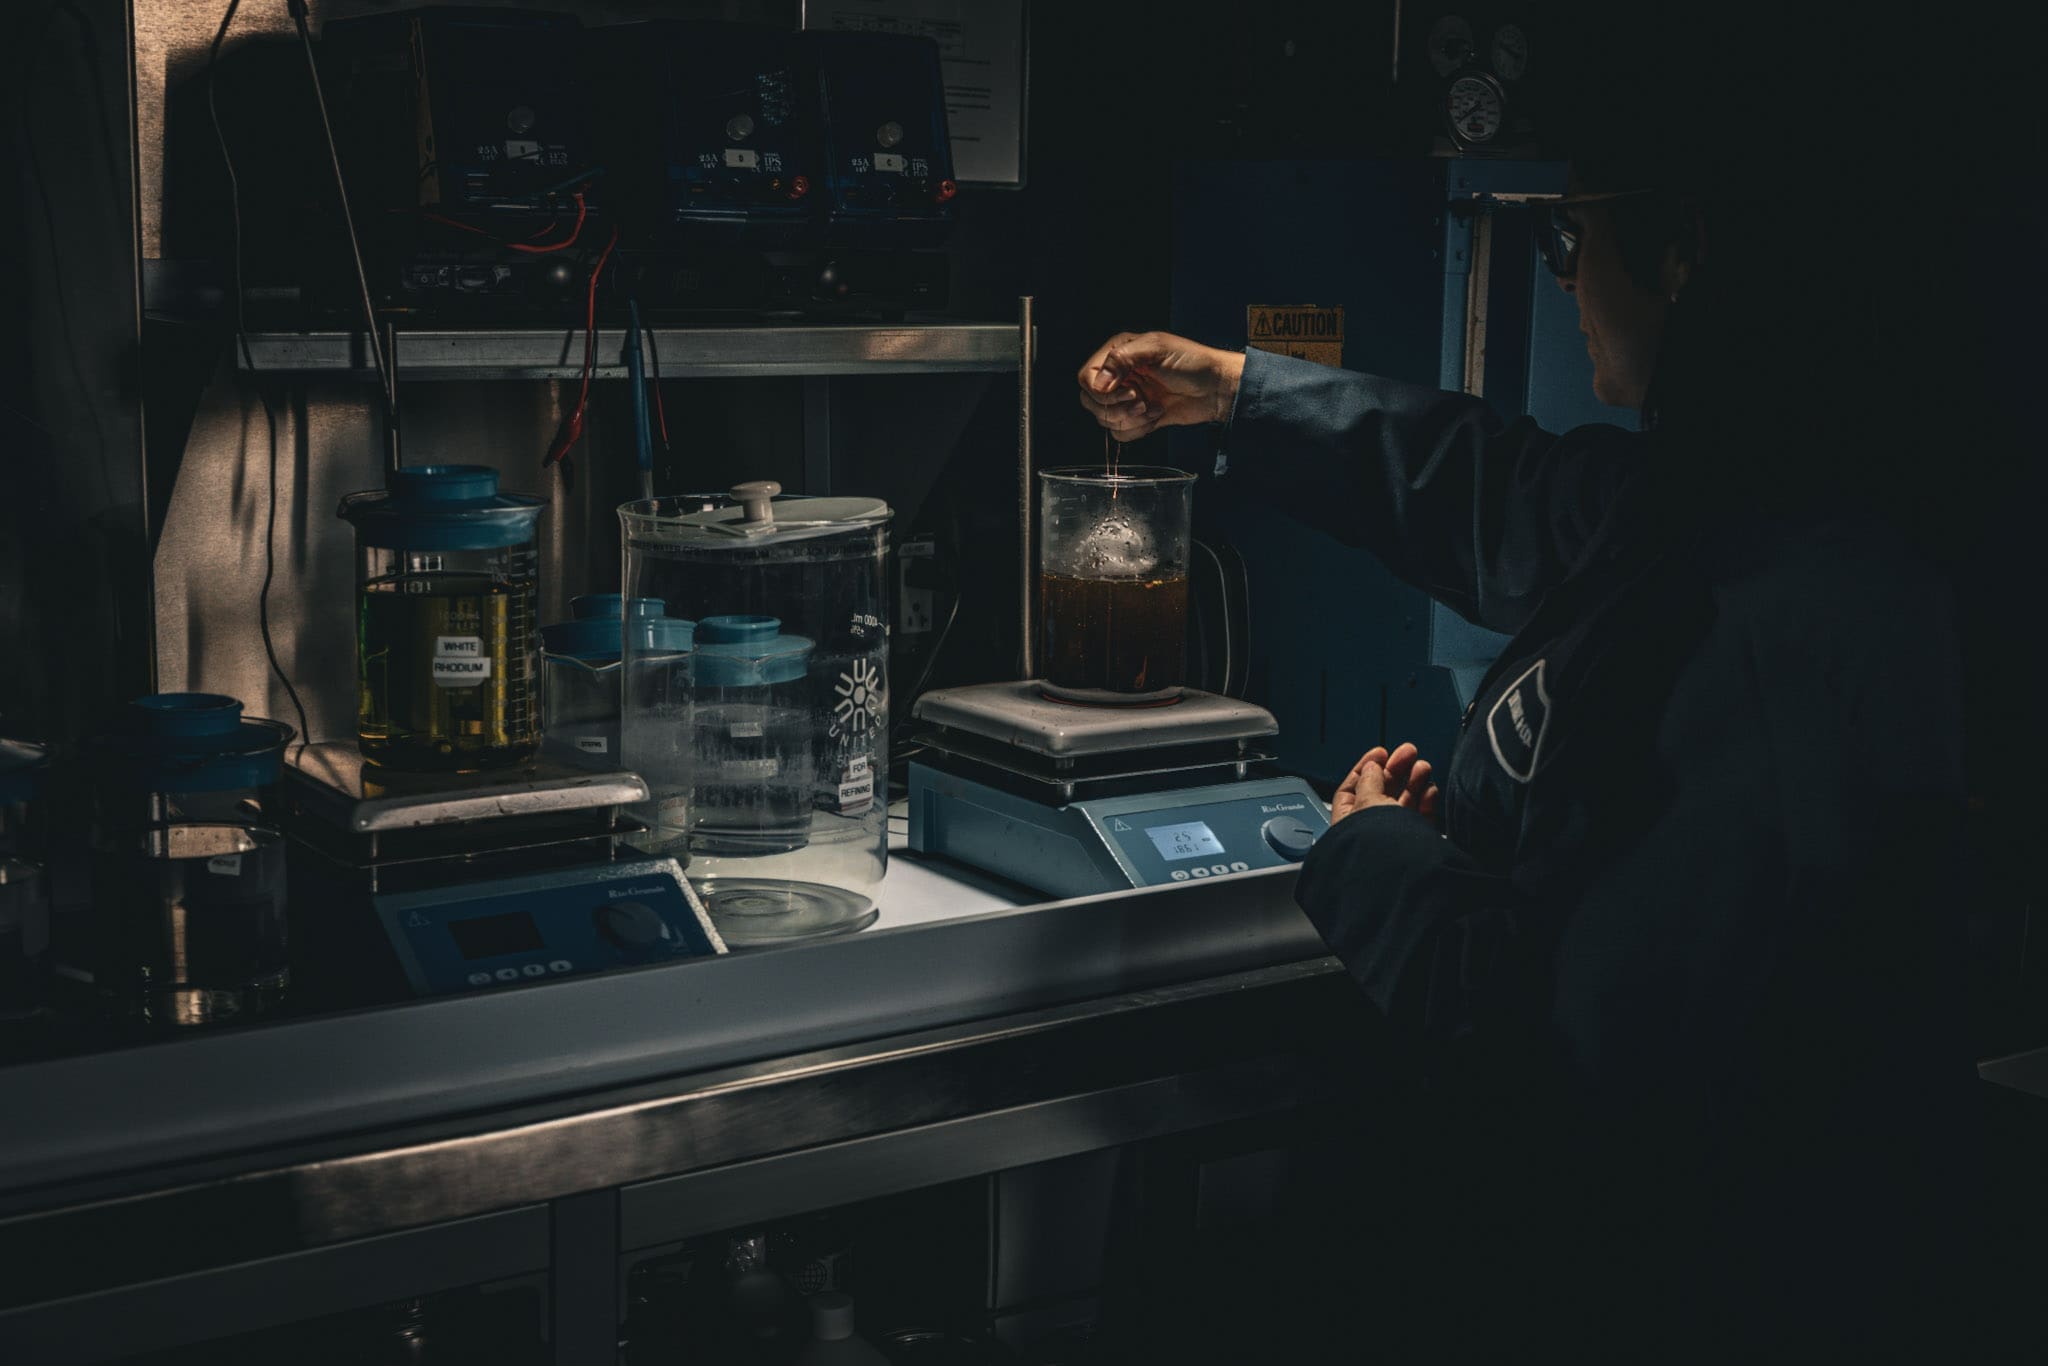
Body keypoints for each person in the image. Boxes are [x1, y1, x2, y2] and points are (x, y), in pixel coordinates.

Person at [1074, 41, 1983, 1364]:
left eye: (1570, 235)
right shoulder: (1741, 507)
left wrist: (1373, 846)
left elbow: (1553, 1039)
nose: (1560, 285)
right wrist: (1233, 387)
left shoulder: (1771, 625)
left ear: (1685, 254)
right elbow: (1483, 480)